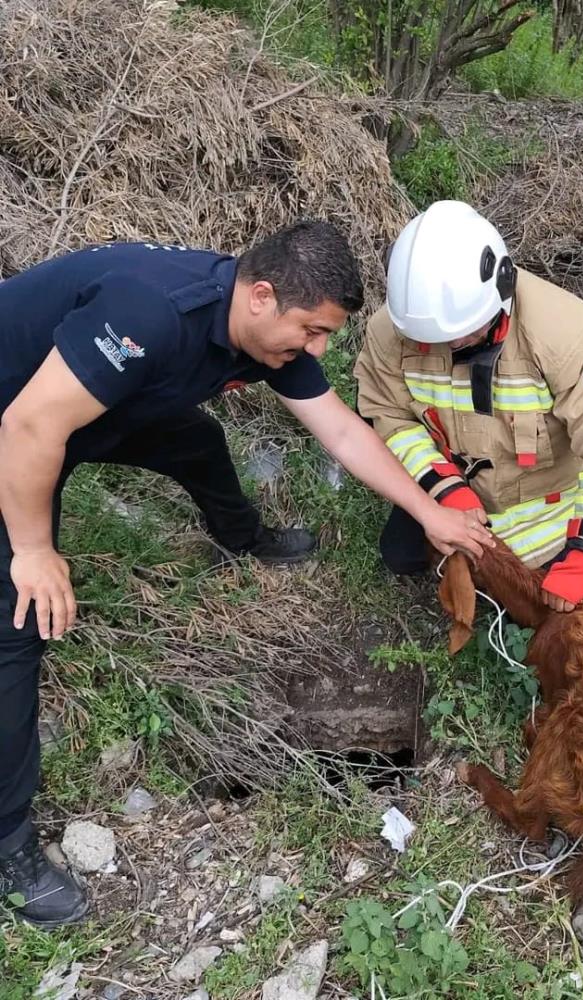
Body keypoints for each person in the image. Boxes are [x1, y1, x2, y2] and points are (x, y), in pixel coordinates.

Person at [0, 223, 492, 926]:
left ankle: (244, 538)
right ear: (262, 296)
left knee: (197, 439)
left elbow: (344, 431)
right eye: (313, 331)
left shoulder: (261, 329)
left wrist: (430, 509)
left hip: (88, 411)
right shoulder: (151, 315)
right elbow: (28, 428)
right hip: (14, 422)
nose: (318, 350)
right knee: (16, 623)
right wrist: (33, 549)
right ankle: (8, 843)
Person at [355, 200, 583, 612]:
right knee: (399, 555)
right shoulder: (394, 330)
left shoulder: (561, 331)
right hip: (454, 493)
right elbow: (387, 416)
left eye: (460, 335)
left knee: (535, 611)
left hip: (544, 508)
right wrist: (444, 486)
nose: (448, 346)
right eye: (433, 339)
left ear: (501, 288)